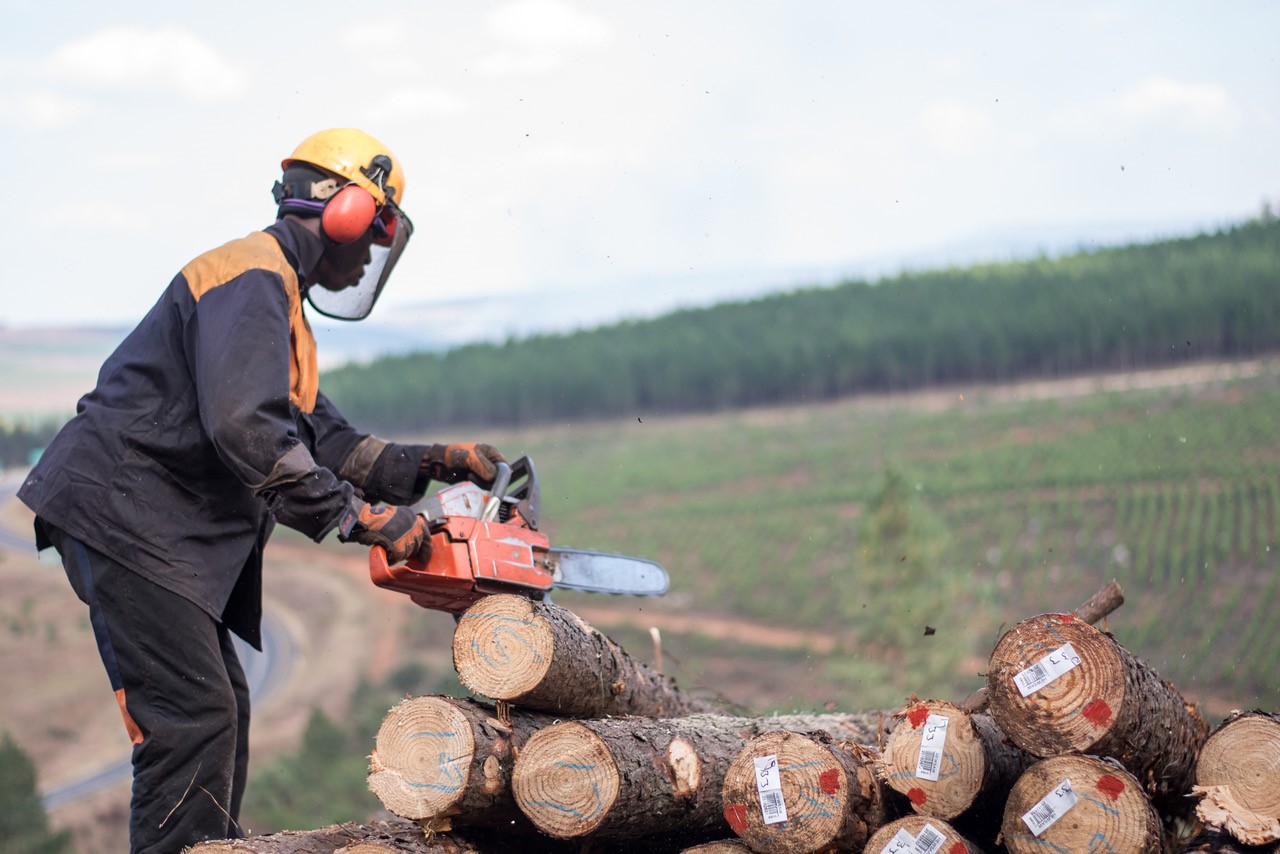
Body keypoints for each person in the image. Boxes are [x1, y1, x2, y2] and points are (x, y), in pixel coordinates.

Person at [18, 128, 505, 852]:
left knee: (222, 706)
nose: (371, 253)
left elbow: (324, 438)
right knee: (193, 716)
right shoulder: (249, 278)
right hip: (125, 518)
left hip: (147, 527)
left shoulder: (275, 297)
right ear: (341, 211)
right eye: (373, 233)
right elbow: (248, 429)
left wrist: (435, 461)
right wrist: (359, 517)